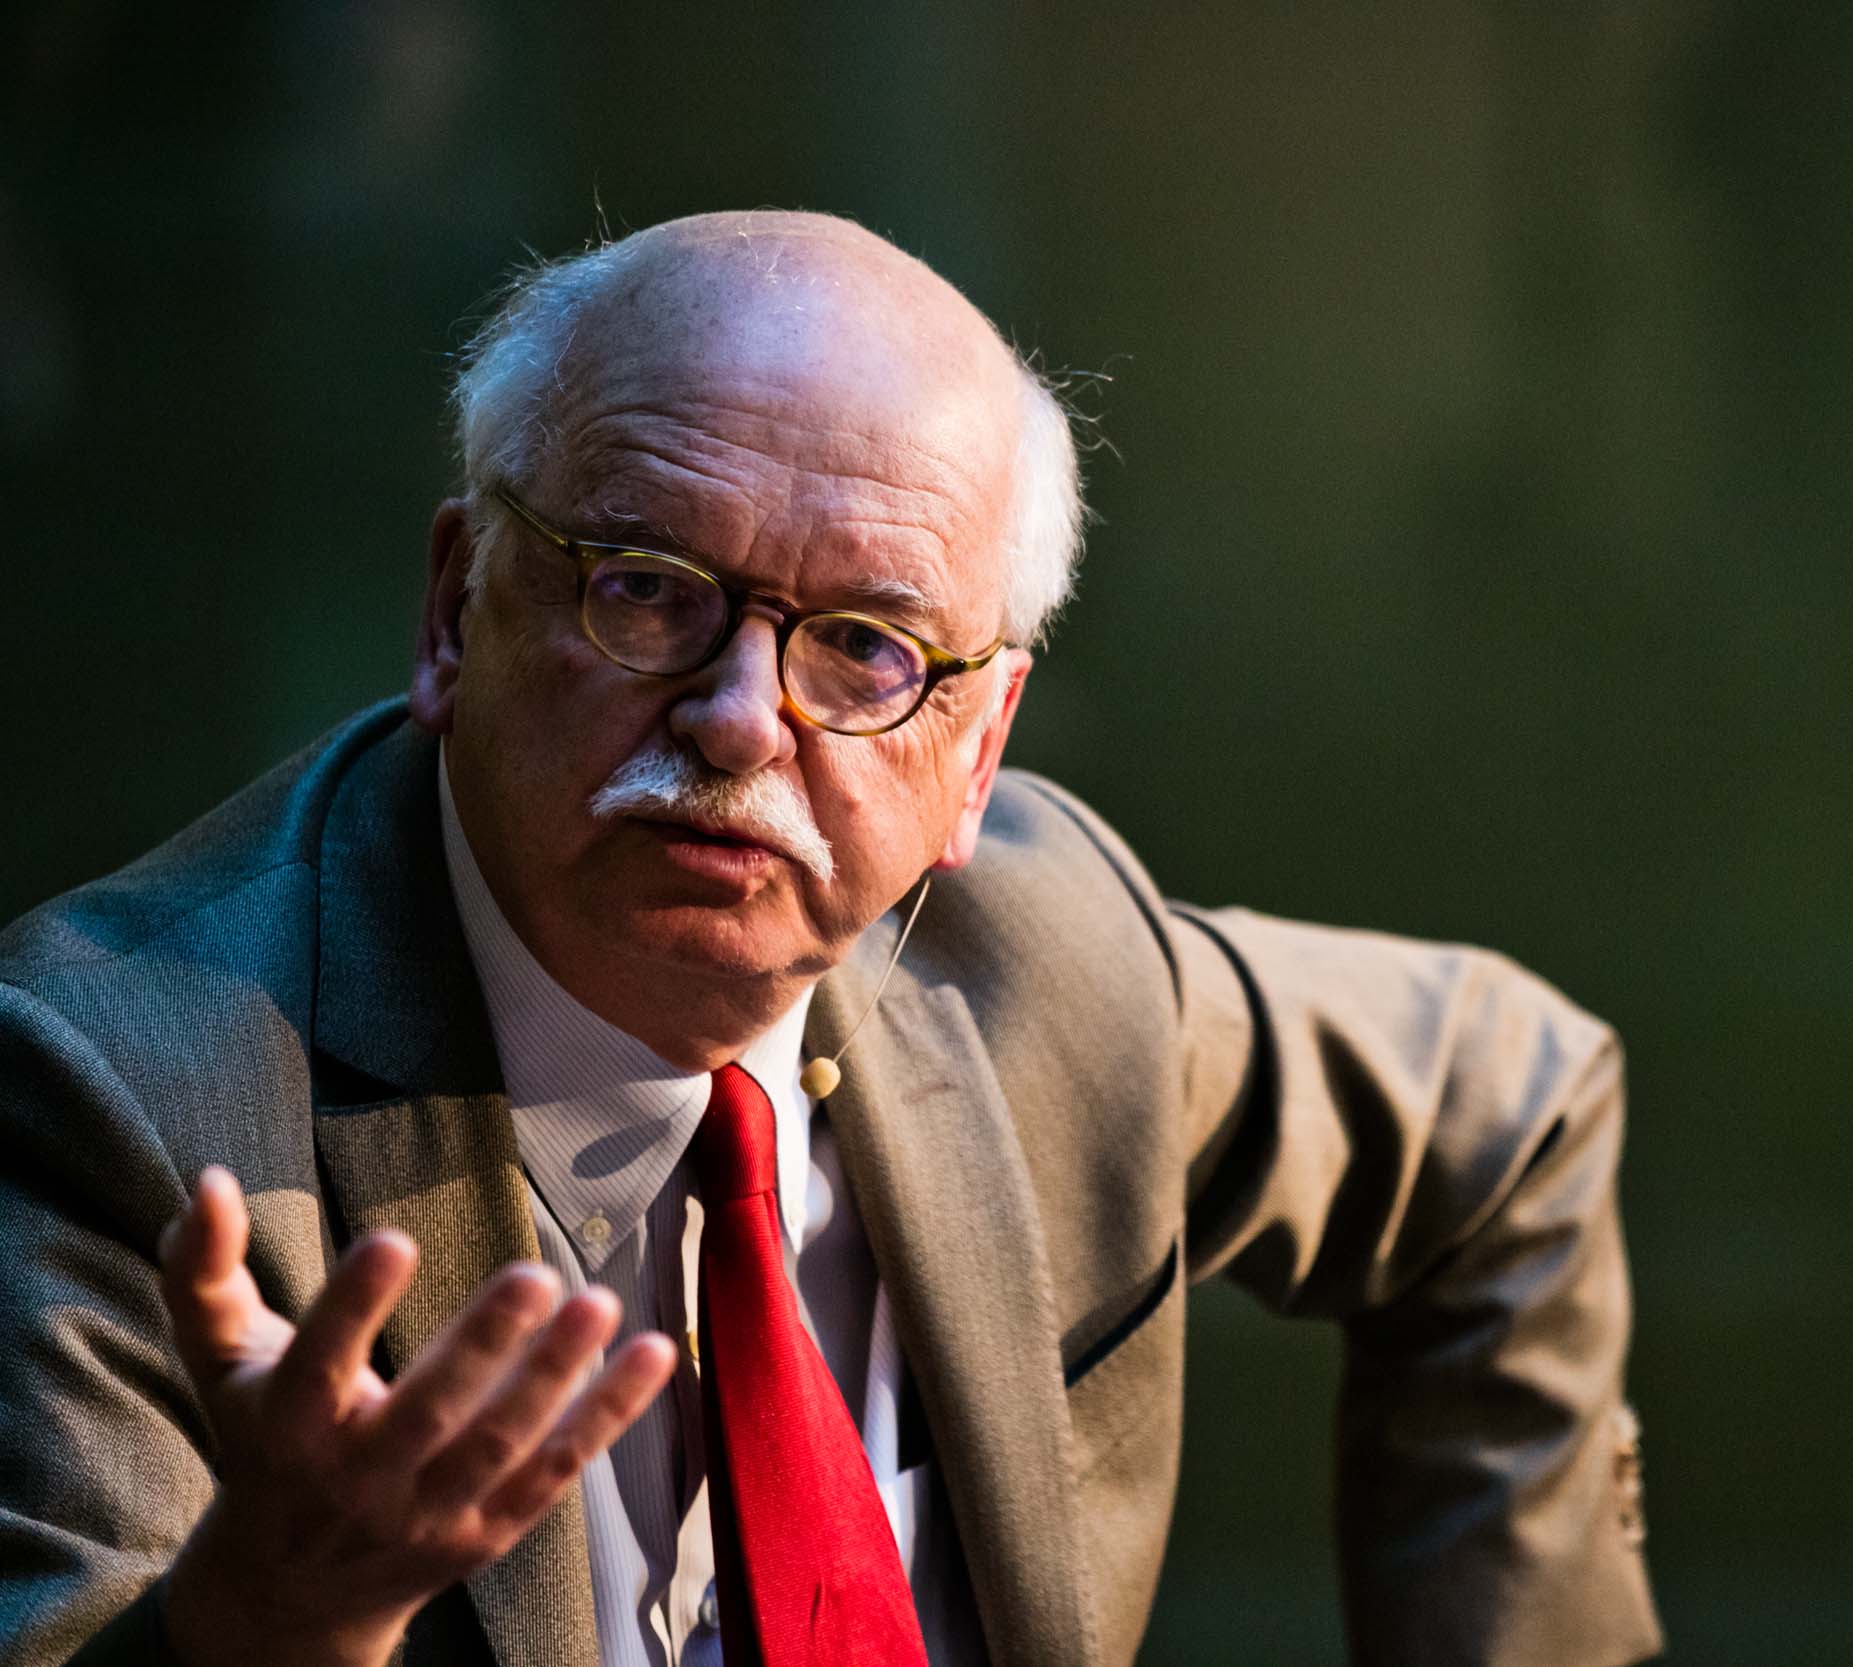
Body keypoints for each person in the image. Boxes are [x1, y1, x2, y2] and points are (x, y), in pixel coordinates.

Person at [0, 211, 1661, 1667]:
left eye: (866, 648)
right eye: (647, 587)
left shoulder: (1047, 968)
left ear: (979, 753)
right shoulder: (110, 1102)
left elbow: (1510, 1105)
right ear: (454, 611)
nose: (739, 720)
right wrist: (266, 1630)